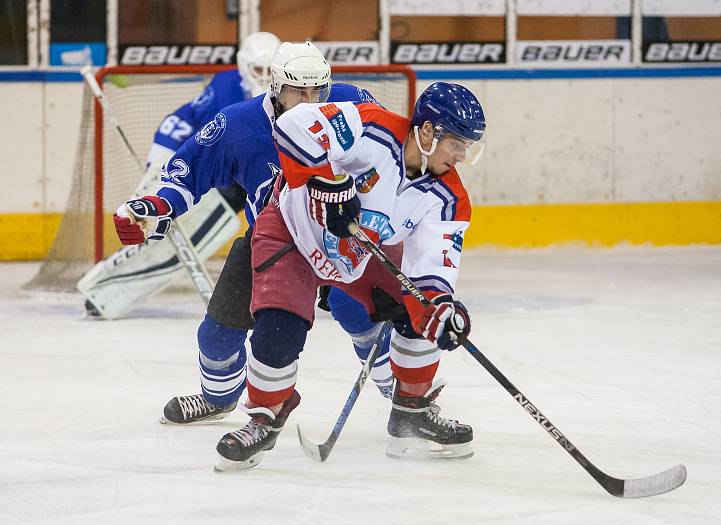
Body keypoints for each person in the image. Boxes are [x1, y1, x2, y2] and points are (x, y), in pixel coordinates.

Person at [111, 42, 395, 426]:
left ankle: (405, 395)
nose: (310, 102)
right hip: (272, 242)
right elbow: (189, 171)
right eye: (298, 91)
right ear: (275, 87)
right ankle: (220, 397)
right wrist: (158, 206)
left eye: (317, 91)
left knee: (363, 315)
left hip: (341, 235)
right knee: (217, 336)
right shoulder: (238, 123)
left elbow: (394, 153)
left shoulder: (354, 105)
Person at [212, 81, 486, 471]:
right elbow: (293, 125)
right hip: (293, 229)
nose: (462, 155)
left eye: (469, 146)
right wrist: (326, 181)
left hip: (361, 250)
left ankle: (412, 408)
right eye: (457, 142)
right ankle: (265, 416)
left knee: (423, 308)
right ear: (427, 131)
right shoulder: (369, 127)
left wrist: (440, 307)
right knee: (279, 325)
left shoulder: (448, 198)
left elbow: (431, 266)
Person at [83, 32, 283, 319]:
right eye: (257, 70)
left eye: (270, 71)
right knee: (164, 229)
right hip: (204, 167)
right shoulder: (227, 89)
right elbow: (193, 134)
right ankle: (105, 288)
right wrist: (164, 165)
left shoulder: (288, 94)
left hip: (248, 174)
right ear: (242, 66)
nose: (263, 78)